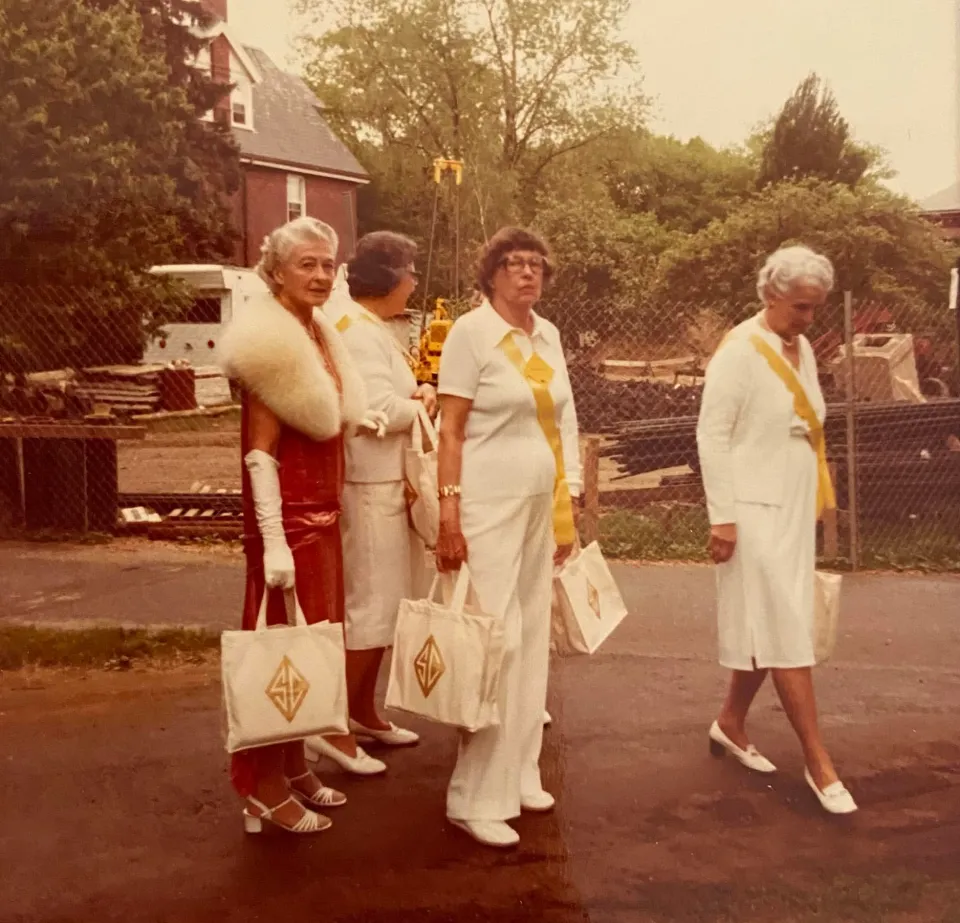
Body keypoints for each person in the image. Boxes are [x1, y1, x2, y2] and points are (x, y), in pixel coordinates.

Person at [218, 217, 386, 835]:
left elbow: (327, 419)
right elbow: (260, 454)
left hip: (321, 522)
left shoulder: (313, 332)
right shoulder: (272, 344)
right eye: (305, 264)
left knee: (307, 655)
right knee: (278, 660)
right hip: (288, 529)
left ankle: (291, 768)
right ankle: (261, 787)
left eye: (327, 265)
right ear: (276, 271)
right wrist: (274, 543)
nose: (320, 275)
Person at [696, 244, 858, 816]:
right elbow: (712, 435)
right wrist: (723, 518)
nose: (807, 319)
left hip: (792, 500)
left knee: (773, 619)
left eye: (815, 308)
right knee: (787, 626)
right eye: (799, 307)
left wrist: (813, 494)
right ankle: (819, 762)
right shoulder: (739, 351)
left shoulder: (804, 346)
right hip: (750, 505)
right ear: (769, 295)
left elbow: (807, 424)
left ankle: (730, 722)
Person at [435, 227, 582, 848]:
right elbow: (450, 431)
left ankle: (519, 771)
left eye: (535, 265)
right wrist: (449, 514)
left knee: (530, 641)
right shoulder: (471, 334)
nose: (527, 274)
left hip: (538, 505)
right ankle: (472, 797)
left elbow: (566, 419)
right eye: (513, 264)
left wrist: (570, 496)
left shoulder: (545, 334)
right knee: (493, 643)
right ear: (490, 274)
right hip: (486, 505)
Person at [306, 231, 437, 775]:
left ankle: (363, 711)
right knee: (371, 606)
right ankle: (329, 726)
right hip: (369, 484)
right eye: (408, 271)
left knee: (388, 604)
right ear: (388, 279)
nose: (413, 282)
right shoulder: (358, 332)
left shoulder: (368, 327)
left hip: (384, 482)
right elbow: (373, 409)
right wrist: (426, 398)